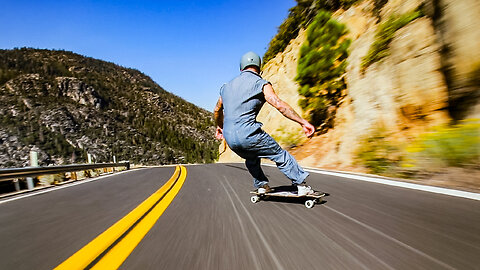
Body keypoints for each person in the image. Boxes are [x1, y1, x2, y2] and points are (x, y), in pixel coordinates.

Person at [214, 51, 317, 196]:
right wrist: (302, 122)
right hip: (249, 134)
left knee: (251, 157)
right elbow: (279, 104)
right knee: (279, 154)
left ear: (241, 68)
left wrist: (221, 127)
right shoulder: (260, 83)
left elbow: (217, 110)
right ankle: (301, 184)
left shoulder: (225, 87)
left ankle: (262, 186)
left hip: (230, 139)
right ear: (259, 66)